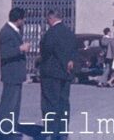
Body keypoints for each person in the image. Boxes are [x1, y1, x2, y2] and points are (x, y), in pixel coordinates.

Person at [39, 10, 76, 140]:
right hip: (66, 74)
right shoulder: (70, 33)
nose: (47, 22)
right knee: (64, 103)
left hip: (51, 74)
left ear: (51, 18)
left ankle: (51, 132)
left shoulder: (50, 33)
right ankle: (63, 132)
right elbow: (74, 52)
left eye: (47, 20)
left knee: (50, 103)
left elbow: (45, 51)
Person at [0, 7, 30, 138]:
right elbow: (5, 53)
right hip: (11, 74)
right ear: (18, 19)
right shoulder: (6, 32)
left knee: (14, 105)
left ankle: (10, 129)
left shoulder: (13, 31)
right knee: (9, 104)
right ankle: (3, 131)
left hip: (16, 74)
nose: (24, 20)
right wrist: (20, 48)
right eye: (23, 18)